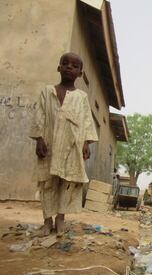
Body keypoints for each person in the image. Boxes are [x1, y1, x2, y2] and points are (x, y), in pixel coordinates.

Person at [29, 52, 98, 236]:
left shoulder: (81, 97)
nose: (69, 67)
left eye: (75, 66)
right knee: (47, 184)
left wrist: (86, 144)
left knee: (67, 184)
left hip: (70, 148)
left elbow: (86, 121)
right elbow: (39, 117)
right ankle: (46, 222)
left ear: (80, 73)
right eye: (65, 63)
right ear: (59, 67)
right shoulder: (47, 91)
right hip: (49, 147)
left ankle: (60, 219)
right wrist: (39, 139)